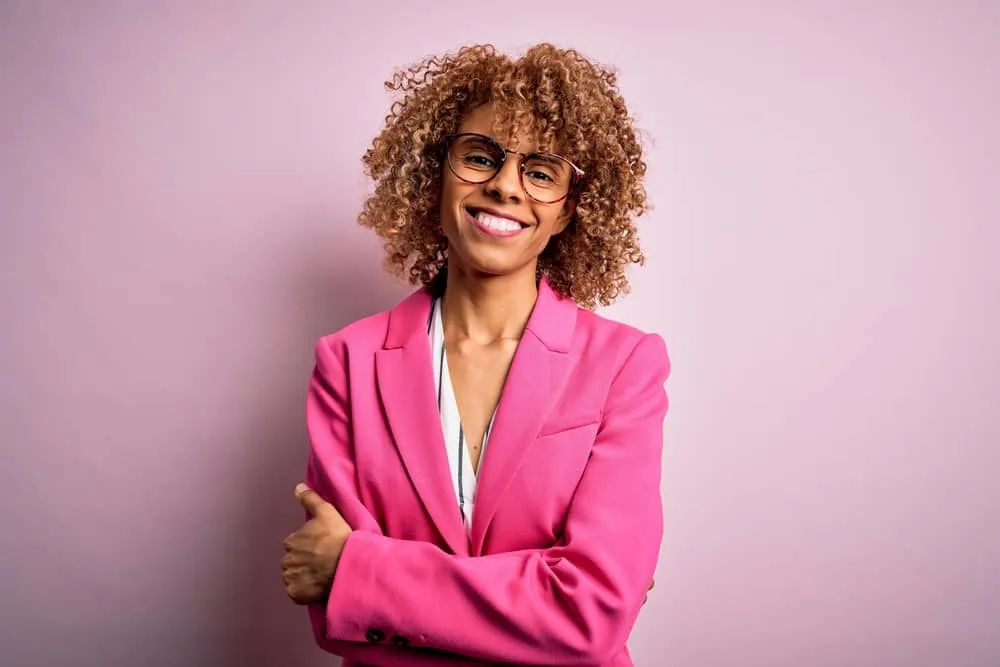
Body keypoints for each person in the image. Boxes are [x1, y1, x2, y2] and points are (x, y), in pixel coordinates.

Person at [280, 43, 671, 667]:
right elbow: (336, 618)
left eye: (541, 172)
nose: (505, 186)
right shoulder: (347, 363)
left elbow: (592, 614)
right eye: (480, 157)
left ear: (570, 208)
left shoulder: (625, 365)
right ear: (436, 171)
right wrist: (536, 609)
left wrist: (361, 572)